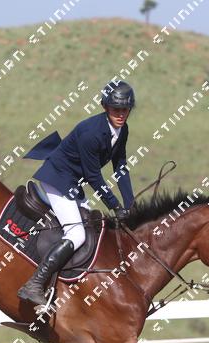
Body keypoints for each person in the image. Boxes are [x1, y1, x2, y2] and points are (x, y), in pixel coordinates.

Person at [18, 81, 136, 308]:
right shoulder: (91, 133)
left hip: (73, 183)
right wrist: (114, 205)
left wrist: (130, 205)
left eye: (125, 109)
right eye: (116, 109)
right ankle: (34, 284)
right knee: (77, 234)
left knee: (92, 229)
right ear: (105, 106)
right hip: (57, 180)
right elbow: (93, 176)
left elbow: (121, 167)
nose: (121, 114)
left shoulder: (122, 130)